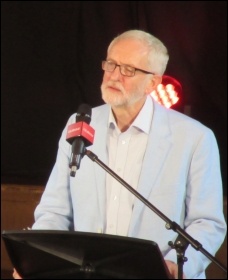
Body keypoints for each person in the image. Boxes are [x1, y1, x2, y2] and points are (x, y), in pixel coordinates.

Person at [13, 29, 226, 279]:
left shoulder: (194, 137)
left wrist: (175, 268)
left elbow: (207, 223)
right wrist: (40, 260)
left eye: (128, 70)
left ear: (153, 82)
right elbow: (55, 211)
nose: (114, 76)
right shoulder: (81, 124)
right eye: (111, 64)